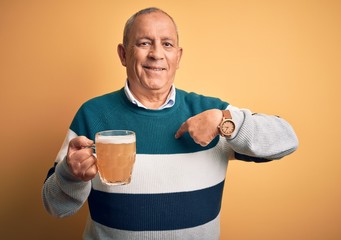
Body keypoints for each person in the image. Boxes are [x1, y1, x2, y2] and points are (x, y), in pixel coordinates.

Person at [42, 7, 298, 240]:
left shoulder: (210, 113)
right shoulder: (93, 114)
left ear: (178, 55)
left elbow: (287, 140)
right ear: (123, 54)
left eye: (167, 44)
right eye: (144, 43)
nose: (156, 54)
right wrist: (69, 175)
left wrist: (224, 121)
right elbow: (55, 207)